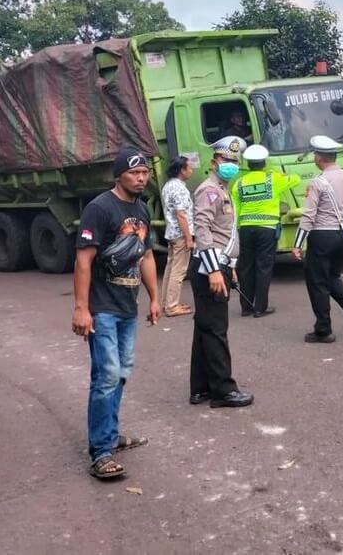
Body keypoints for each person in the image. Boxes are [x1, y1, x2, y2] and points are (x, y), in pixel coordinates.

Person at [72, 148, 161, 480]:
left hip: (128, 306)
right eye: (134, 173)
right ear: (119, 175)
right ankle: (101, 452)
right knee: (106, 376)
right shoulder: (99, 208)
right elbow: (83, 261)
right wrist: (81, 309)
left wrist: (155, 298)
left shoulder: (140, 208)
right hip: (103, 308)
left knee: (121, 372)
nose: (141, 178)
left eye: (145, 173)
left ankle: (110, 435)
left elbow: (146, 255)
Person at [188, 136, 254, 408]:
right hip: (209, 266)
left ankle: (201, 388)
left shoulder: (223, 188)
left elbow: (223, 232)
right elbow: (201, 229)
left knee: (205, 327)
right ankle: (223, 390)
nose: (231, 165)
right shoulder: (210, 190)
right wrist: (215, 270)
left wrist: (231, 269)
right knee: (216, 329)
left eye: (235, 161)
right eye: (227, 160)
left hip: (217, 264)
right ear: (214, 160)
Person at [292, 135, 343, 344]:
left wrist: (297, 244)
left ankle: (323, 329)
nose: (314, 158)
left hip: (322, 236)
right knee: (331, 276)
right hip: (342, 235)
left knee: (316, 282)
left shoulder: (318, 183)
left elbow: (309, 216)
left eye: (315, 154)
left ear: (320, 157)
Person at [232, 144, 300, 317]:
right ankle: (260, 307)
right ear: (264, 162)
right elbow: (296, 179)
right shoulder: (273, 179)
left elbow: (236, 209)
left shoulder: (238, 183)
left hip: (246, 228)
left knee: (246, 266)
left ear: (247, 163)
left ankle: (246, 307)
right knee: (263, 267)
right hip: (267, 229)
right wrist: (274, 171)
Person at [161, 155, 195, 317]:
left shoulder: (169, 185)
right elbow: (181, 214)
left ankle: (166, 302)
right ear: (182, 170)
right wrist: (189, 238)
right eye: (189, 167)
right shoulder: (180, 188)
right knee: (179, 271)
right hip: (181, 233)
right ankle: (172, 306)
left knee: (170, 268)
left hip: (172, 232)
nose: (191, 170)